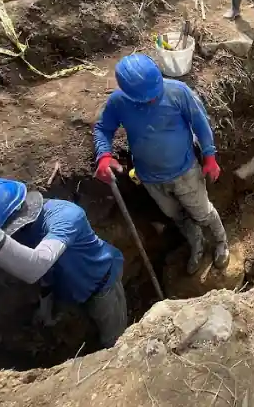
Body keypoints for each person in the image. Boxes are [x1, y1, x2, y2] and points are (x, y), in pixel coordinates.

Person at [93, 53, 229, 274]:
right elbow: (103, 128)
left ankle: (221, 242)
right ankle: (197, 243)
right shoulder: (119, 102)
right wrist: (104, 155)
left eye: (155, 94)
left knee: (203, 212)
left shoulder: (177, 91)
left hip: (185, 172)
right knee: (176, 215)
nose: (154, 99)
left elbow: (201, 123)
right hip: (150, 178)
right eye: (147, 98)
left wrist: (210, 157)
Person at [0, 178, 127, 347]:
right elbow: (46, 272)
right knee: (84, 323)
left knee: (114, 339)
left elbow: (37, 266)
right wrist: (46, 306)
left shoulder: (67, 217)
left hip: (102, 284)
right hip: (70, 284)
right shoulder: (25, 231)